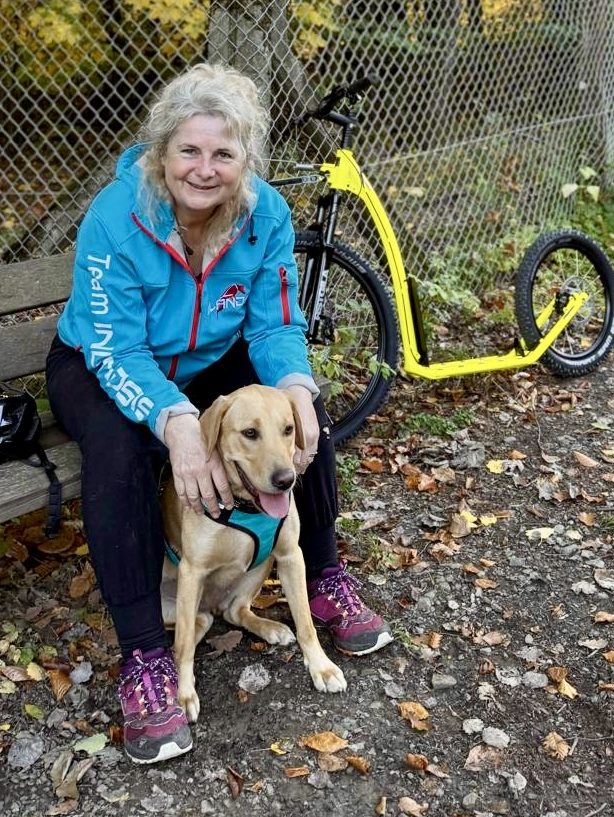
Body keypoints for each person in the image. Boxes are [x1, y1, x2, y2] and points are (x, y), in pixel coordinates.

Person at [46, 63, 392, 764]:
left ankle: (321, 575)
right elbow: (119, 348)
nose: (204, 169)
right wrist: (178, 424)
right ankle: (146, 656)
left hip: (207, 359)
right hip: (99, 360)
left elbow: (273, 326)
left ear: (246, 162)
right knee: (116, 453)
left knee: (296, 414)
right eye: (189, 150)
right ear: (160, 151)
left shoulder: (266, 216)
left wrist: (296, 384)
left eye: (223, 154)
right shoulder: (116, 217)